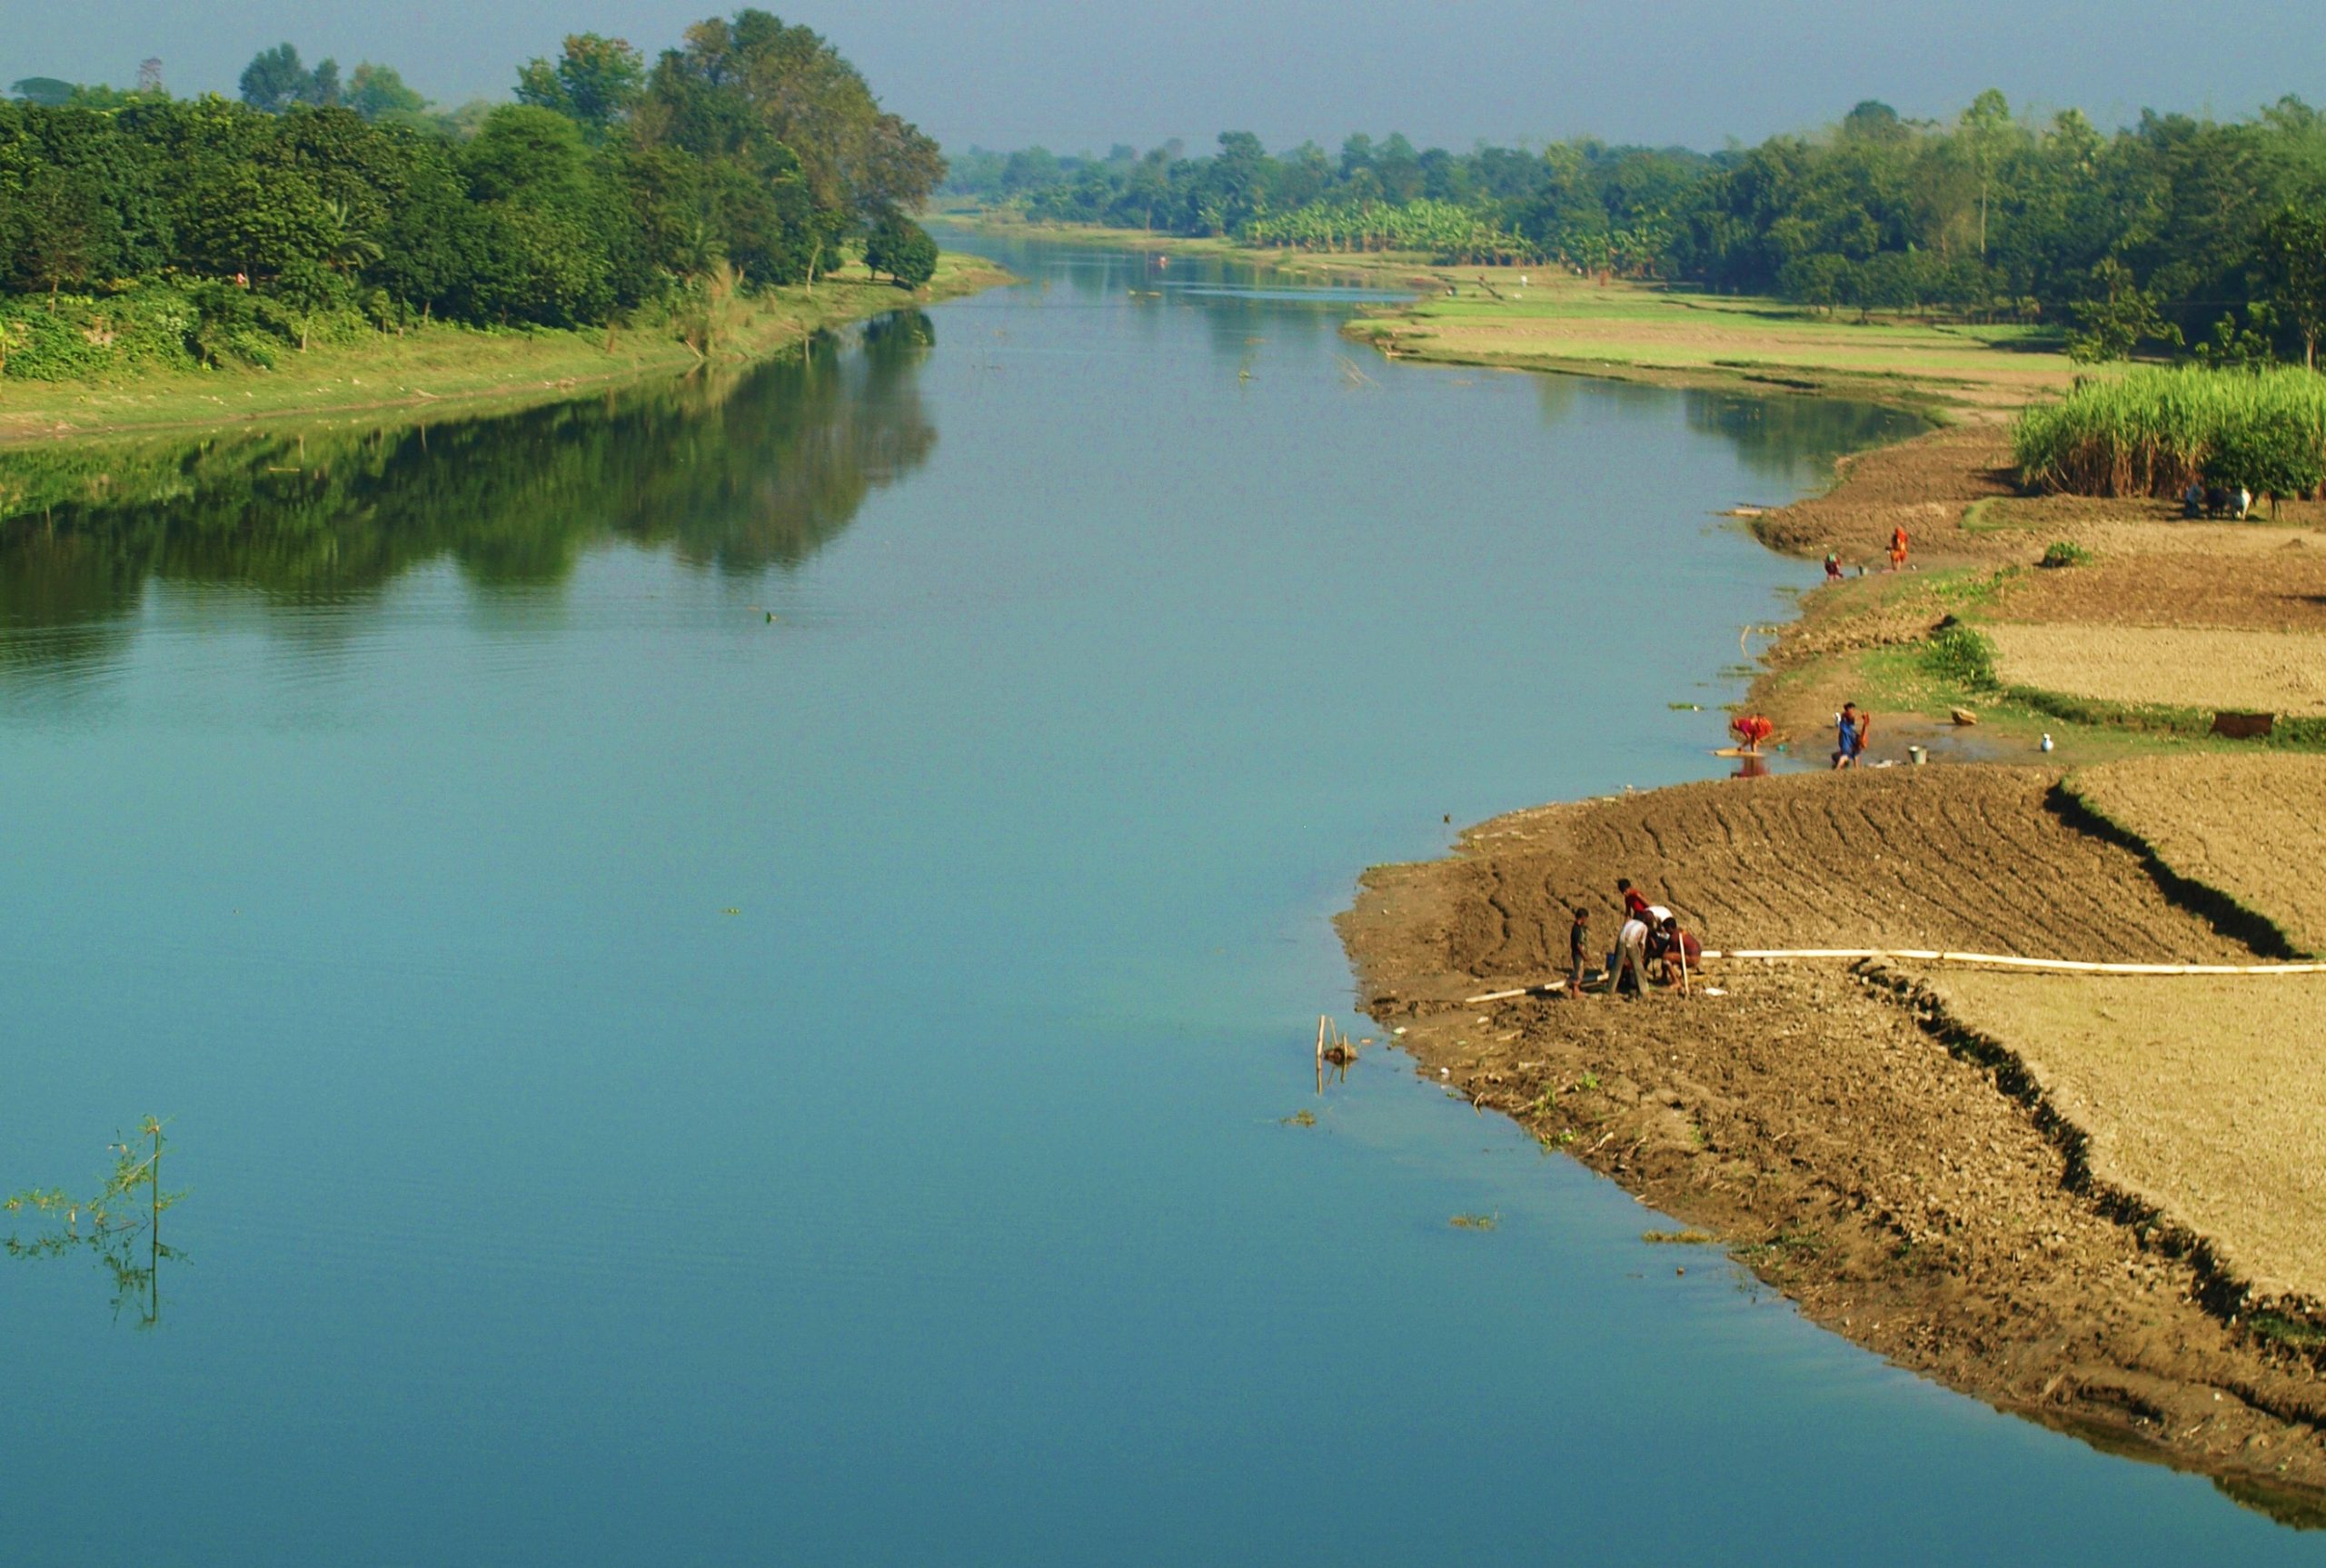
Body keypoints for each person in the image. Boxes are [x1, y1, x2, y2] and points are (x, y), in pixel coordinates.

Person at [1610, 909, 1651, 998]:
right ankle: (1644, 991)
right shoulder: (1644, 927)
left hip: (1620, 941)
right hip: (1631, 942)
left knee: (1616, 966)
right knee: (1638, 967)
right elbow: (1642, 944)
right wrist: (1641, 956)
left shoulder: (1630, 921)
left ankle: (1610, 989)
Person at [1567, 907, 1591, 999]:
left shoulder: (1577, 928)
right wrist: (1584, 955)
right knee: (1578, 972)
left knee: (1579, 972)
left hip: (1577, 953)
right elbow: (1578, 944)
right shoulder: (1576, 929)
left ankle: (1576, 990)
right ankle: (1575, 992)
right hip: (1577, 954)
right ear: (1583, 918)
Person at [1833, 700, 1864, 769]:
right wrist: (1862, 716)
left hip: (1850, 739)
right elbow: (1852, 717)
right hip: (1846, 739)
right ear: (1849, 709)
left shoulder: (1847, 716)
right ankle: (1837, 770)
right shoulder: (1846, 715)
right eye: (1852, 709)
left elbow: (1852, 728)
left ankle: (1857, 770)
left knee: (1856, 753)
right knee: (1845, 755)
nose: (1853, 711)